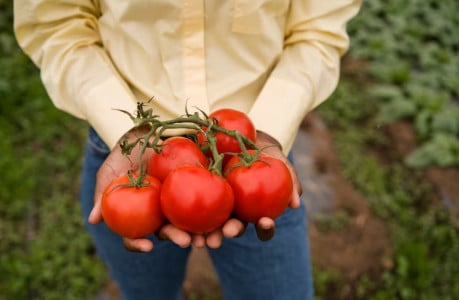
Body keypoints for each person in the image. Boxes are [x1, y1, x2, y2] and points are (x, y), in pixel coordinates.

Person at [14, 1, 361, 299]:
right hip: (131, 162)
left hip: (254, 154)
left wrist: (270, 127)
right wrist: (129, 132)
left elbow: (318, 29)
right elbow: (57, 23)